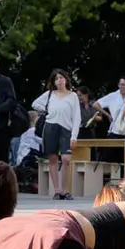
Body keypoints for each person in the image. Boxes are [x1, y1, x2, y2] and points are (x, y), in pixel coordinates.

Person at [32, 70, 82, 200]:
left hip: (66, 129)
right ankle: (57, 190)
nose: (59, 80)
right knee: (53, 158)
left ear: (66, 79)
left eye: (61, 77)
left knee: (66, 159)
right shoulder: (49, 94)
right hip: (51, 126)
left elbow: (77, 116)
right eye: (56, 78)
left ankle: (65, 189)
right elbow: (35, 104)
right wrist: (46, 109)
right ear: (53, 82)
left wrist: (74, 136)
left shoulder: (73, 96)